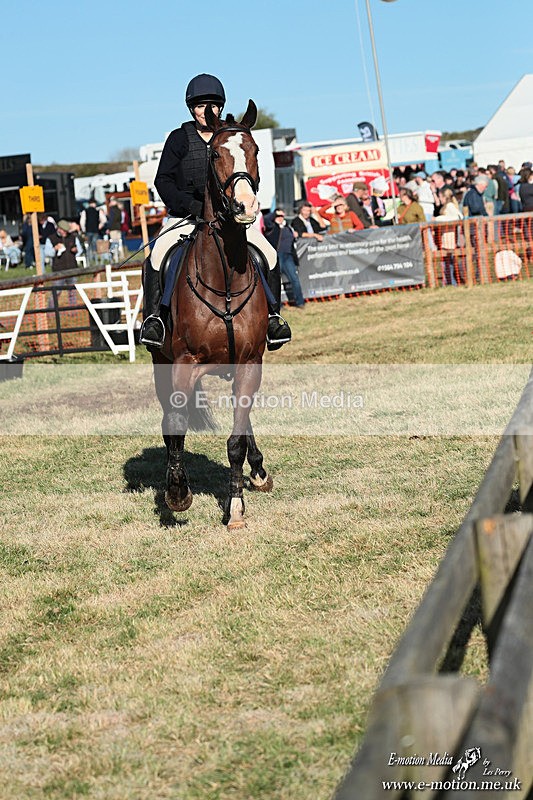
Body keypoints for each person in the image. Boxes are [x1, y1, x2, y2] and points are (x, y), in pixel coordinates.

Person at [140, 73, 290, 351]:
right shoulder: (179, 138)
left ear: (220, 107)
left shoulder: (231, 138)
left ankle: (272, 317)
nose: (206, 110)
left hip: (229, 219)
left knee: (268, 254)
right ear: (191, 109)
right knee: (157, 257)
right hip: (185, 217)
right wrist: (190, 205)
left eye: (212, 105)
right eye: (200, 106)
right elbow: (163, 180)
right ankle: (155, 320)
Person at [264, 208, 305, 309]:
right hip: (277, 256)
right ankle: (277, 304)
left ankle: (300, 302)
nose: (280, 218)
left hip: (288, 256)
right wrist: (275, 213)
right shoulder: (272, 227)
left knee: (294, 279)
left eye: (282, 216)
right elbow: (266, 219)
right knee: (276, 281)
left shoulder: (287, 227)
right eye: (278, 216)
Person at [47, 219, 78, 307]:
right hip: (58, 269)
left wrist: (75, 250)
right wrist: (55, 249)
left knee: (72, 292)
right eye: (64, 230)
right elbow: (47, 253)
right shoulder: (51, 238)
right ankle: (51, 310)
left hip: (72, 268)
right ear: (59, 229)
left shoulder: (73, 237)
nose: (65, 233)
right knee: (56, 292)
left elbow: (79, 250)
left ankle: (73, 310)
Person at [436, 187, 464, 285]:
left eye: (440, 197)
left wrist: (437, 219)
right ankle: (450, 282)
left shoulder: (450, 206)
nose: (439, 199)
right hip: (446, 237)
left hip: (450, 238)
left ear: (444, 197)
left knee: (448, 262)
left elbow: (458, 217)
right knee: (447, 262)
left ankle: (451, 282)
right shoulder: (446, 206)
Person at [80, 198, 106, 263]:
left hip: (88, 231)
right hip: (95, 231)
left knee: (88, 246)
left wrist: (84, 229)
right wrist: (99, 226)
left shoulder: (85, 211)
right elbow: (104, 220)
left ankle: (89, 259)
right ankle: (95, 259)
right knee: (95, 245)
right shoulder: (98, 211)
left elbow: (82, 222)